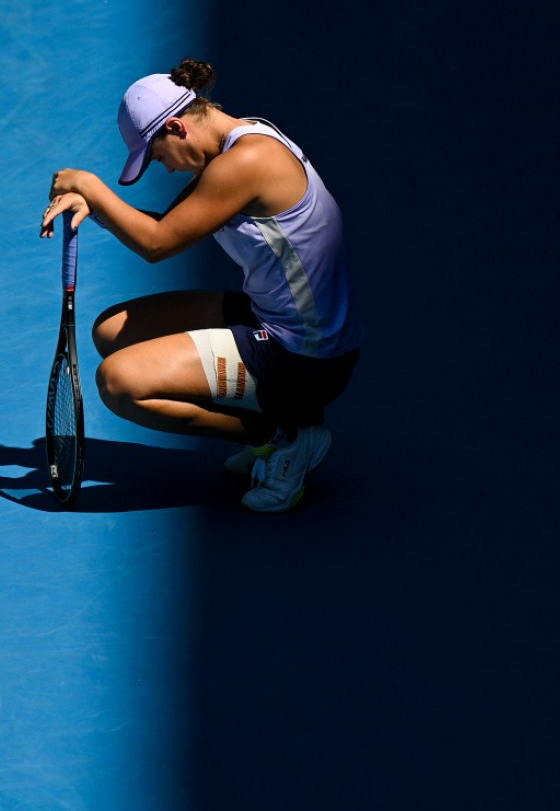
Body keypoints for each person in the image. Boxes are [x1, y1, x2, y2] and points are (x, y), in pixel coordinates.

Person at [39, 58, 362, 512]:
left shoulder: (245, 163)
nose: (166, 169)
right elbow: (171, 226)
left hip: (305, 357)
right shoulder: (244, 138)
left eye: (156, 155)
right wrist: (94, 209)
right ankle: (282, 423)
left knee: (118, 382)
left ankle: (282, 437)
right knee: (111, 331)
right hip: (278, 318)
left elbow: (157, 244)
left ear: (176, 127)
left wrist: (91, 186)